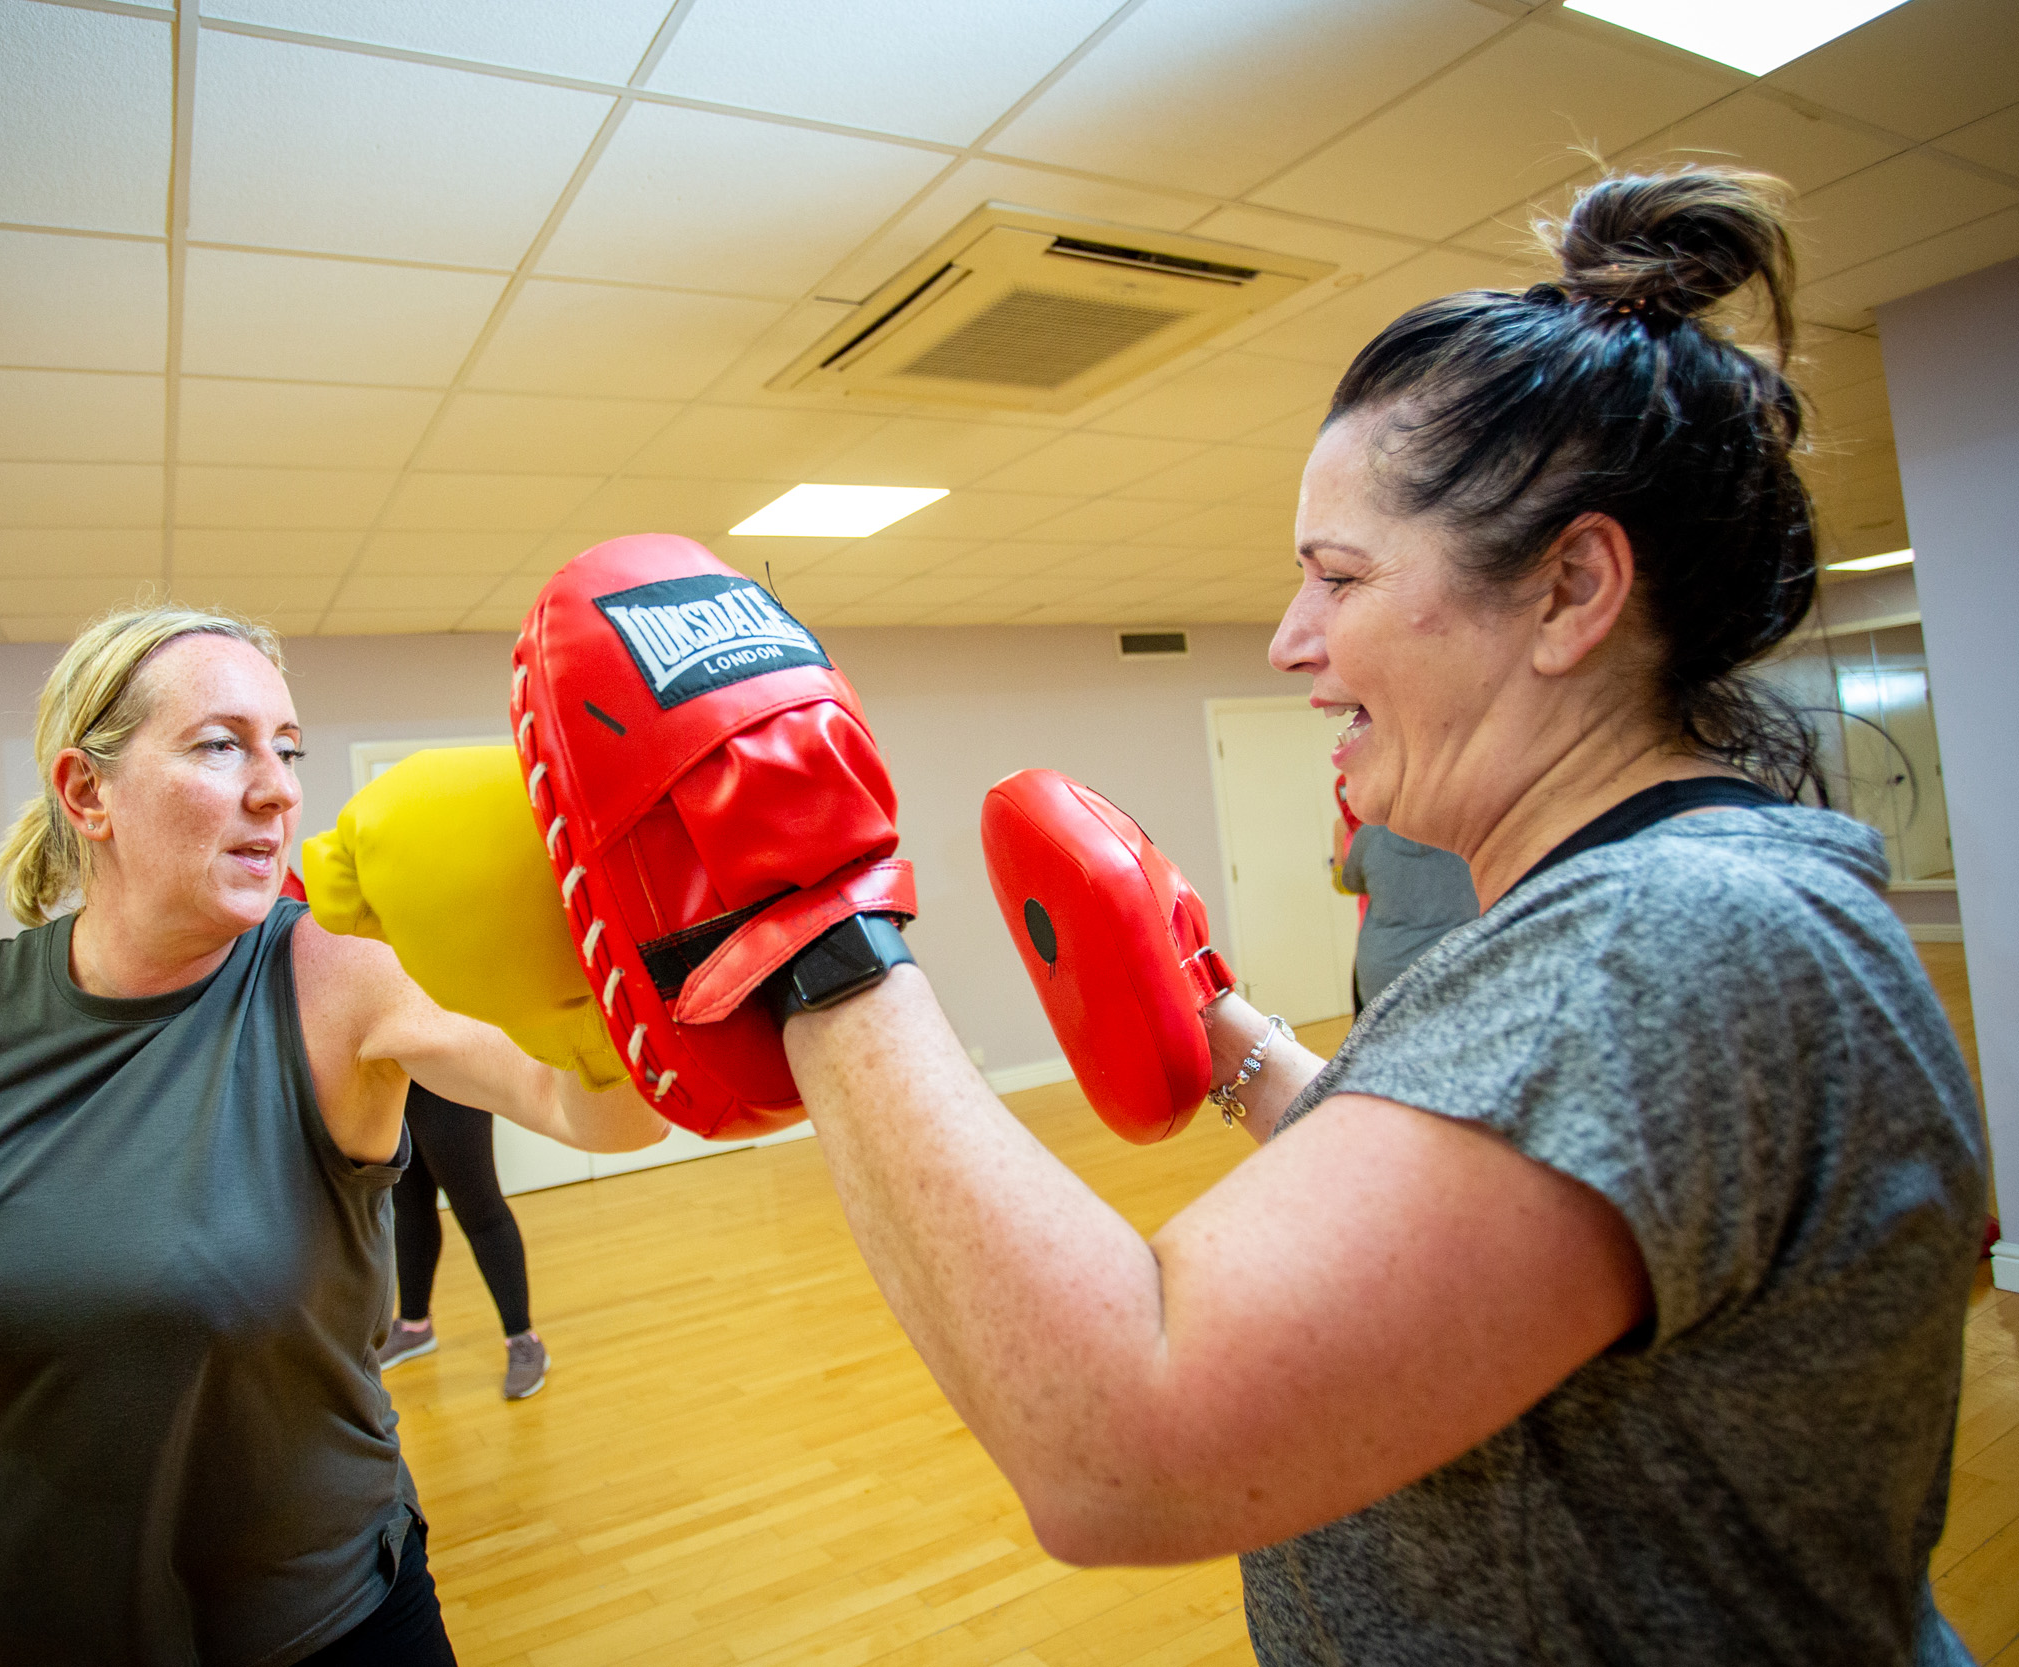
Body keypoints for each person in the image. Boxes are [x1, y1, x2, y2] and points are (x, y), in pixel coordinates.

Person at [763, 169, 1985, 1663]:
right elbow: (1491, 1223)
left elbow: (1121, 1442)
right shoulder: (1685, 902)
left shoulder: (1658, 942)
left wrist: (812, 932)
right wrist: (1226, 1037)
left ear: (1569, 590)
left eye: (1338, 576)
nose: (1291, 640)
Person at [0, 605, 661, 1664]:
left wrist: (593, 965)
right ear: (86, 791)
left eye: (286, 748)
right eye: (219, 744)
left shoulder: (336, 979)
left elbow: (592, 1113)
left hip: (314, 1628)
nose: (279, 787)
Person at [379, 1084, 551, 1400]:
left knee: (480, 1212)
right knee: (411, 1209)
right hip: (390, 1077)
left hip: (445, 1073)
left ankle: (523, 1339)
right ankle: (414, 1326)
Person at [1335, 820, 1479, 1008]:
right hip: (1458, 966)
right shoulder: (1469, 826)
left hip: (1384, 977)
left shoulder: (1369, 834)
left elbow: (1348, 883)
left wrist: (1339, 856)